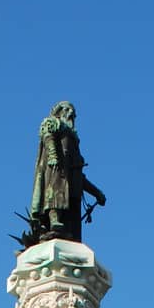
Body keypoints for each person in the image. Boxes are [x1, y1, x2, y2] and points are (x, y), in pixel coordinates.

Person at [29, 102, 106, 243]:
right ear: (59, 112)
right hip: (57, 169)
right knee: (56, 191)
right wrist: (53, 155)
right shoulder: (54, 123)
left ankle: (67, 232)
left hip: (72, 179)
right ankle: (54, 220)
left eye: (73, 112)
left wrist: (97, 192)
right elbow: (48, 135)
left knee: (71, 198)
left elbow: (81, 179)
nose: (71, 113)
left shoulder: (74, 140)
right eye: (67, 109)